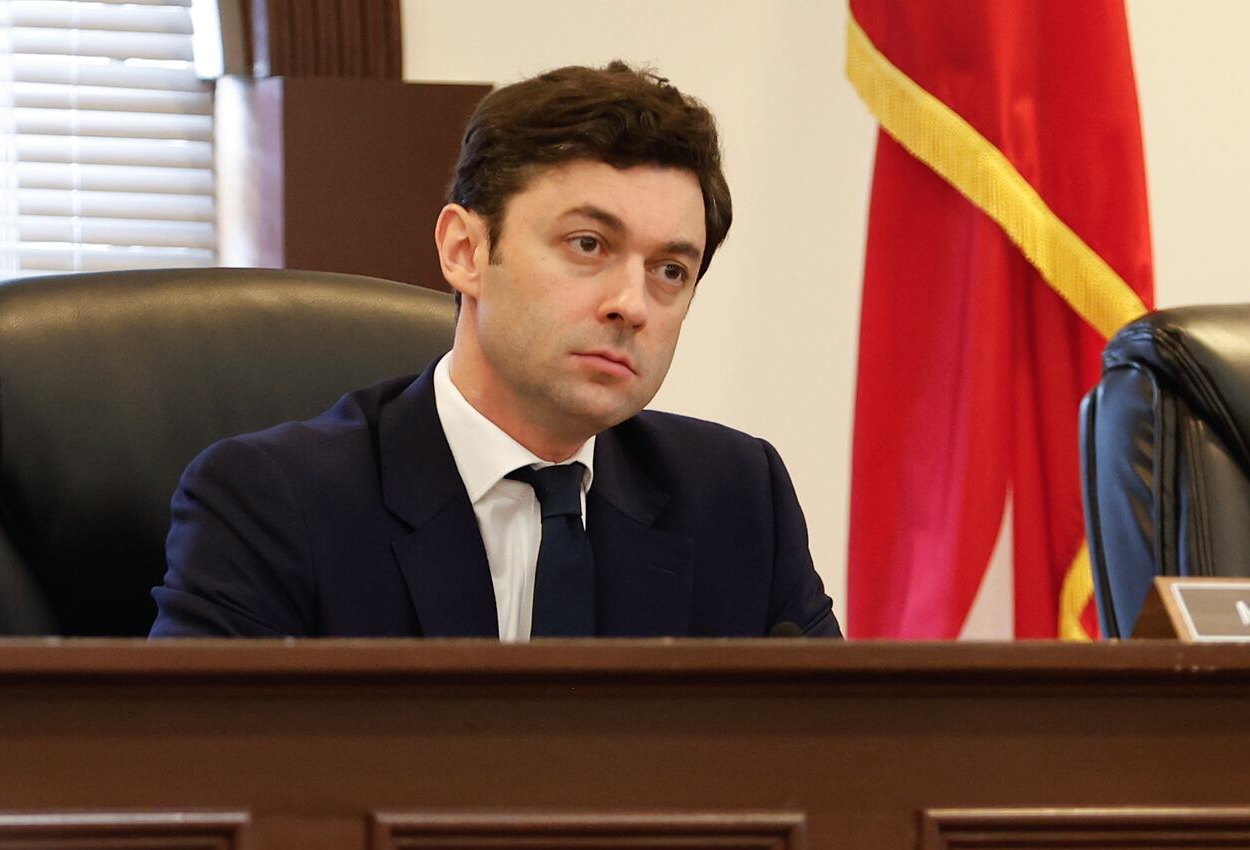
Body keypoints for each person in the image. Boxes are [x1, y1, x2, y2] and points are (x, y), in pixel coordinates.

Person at [150, 61, 838, 639]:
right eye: (588, 245)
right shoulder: (272, 504)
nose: (631, 303)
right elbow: (195, 783)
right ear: (465, 251)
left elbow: (843, 769)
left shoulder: (740, 501)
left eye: (669, 271)